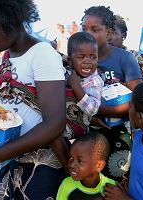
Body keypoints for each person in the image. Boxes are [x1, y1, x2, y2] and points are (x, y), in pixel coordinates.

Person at [0, 0, 66, 199]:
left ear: (12, 19)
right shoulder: (5, 57)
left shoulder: (42, 54)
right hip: (9, 159)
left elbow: (55, 123)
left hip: (39, 163)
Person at [81, 5, 142, 182]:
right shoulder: (79, 59)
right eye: (84, 29)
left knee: (116, 179)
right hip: (88, 130)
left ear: (108, 33)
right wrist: (90, 116)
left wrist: (101, 110)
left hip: (119, 132)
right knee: (91, 180)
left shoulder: (124, 58)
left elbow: (138, 99)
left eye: (94, 29)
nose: (87, 34)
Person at [51, 31, 104, 172]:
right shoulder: (68, 71)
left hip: (78, 136)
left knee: (75, 163)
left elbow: (93, 109)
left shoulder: (94, 81)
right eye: (81, 57)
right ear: (70, 60)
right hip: (61, 128)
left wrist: (76, 87)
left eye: (93, 57)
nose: (88, 61)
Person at [56, 131, 115, 199]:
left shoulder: (111, 188)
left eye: (79, 161)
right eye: (71, 157)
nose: (72, 165)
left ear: (99, 165)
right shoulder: (67, 185)